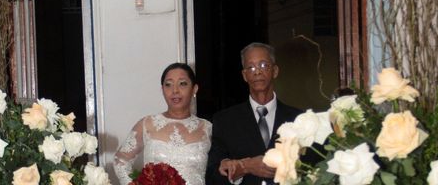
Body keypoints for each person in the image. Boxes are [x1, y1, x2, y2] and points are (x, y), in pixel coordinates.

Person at [206, 42, 302, 185]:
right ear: (244, 75)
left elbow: (313, 171)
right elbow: (213, 178)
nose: (257, 72)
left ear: (275, 71)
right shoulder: (225, 120)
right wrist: (246, 167)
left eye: (263, 65)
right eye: (251, 67)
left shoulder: (298, 119)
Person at [113, 62, 212, 185]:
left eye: (182, 84)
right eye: (168, 85)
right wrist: (130, 183)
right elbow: (121, 160)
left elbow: (219, 169)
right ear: (162, 89)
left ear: (194, 89)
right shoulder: (147, 124)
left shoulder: (207, 129)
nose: (175, 90)